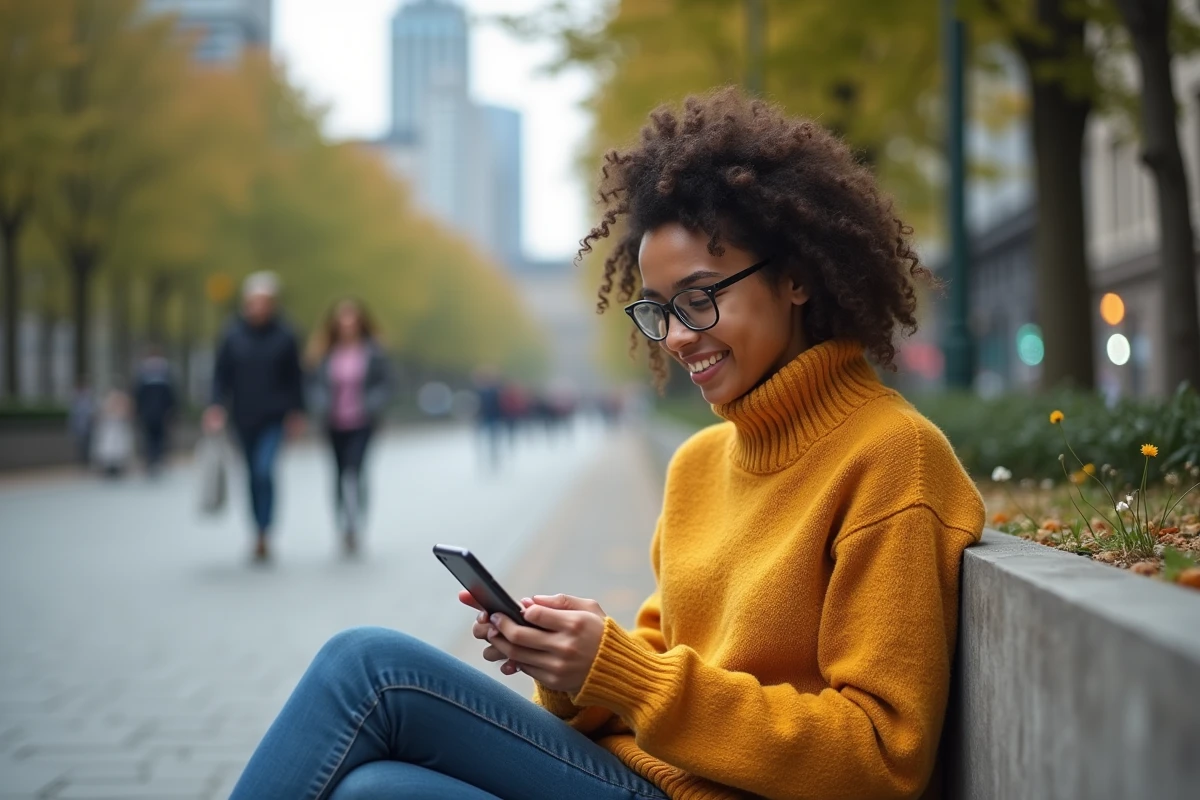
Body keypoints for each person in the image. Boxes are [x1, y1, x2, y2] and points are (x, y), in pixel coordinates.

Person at [230, 88, 985, 800]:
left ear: (796, 278)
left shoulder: (892, 457)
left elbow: (881, 758)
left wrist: (627, 675)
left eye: (699, 297)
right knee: (369, 791)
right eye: (658, 310)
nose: (678, 336)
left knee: (368, 669)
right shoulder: (699, 464)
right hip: (648, 774)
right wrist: (575, 663)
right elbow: (649, 669)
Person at [205, 271, 306, 563]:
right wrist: (215, 406)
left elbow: (296, 378)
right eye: (253, 302)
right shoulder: (232, 334)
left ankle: (266, 528)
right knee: (251, 474)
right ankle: (257, 531)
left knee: (264, 470)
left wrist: (297, 412)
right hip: (242, 415)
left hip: (274, 416)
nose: (258, 308)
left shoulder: (286, 335)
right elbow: (220, 374)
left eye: (264, 302)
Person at [307, 299, 392, 555]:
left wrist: (372, 404)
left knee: (356, 470)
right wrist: (320, 402)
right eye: (342, 321)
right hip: (333, 421)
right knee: (338, 473)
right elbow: (312, 383)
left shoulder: (373, 352)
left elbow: (386, 384)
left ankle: (356, 524)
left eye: (352, 321)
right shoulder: (324, 353)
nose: (347, 326)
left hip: (362, 422)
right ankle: (342, 525)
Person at [133, 345, 177, 476]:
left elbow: (138, 395)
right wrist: (171, 410)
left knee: (150, 438)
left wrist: (138, 410)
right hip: (161, 412)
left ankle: (152, 460)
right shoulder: (165, 374)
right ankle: (157, 459)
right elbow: (171, 395)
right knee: (159, 437)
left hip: (148, 412)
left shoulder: (143, 374)